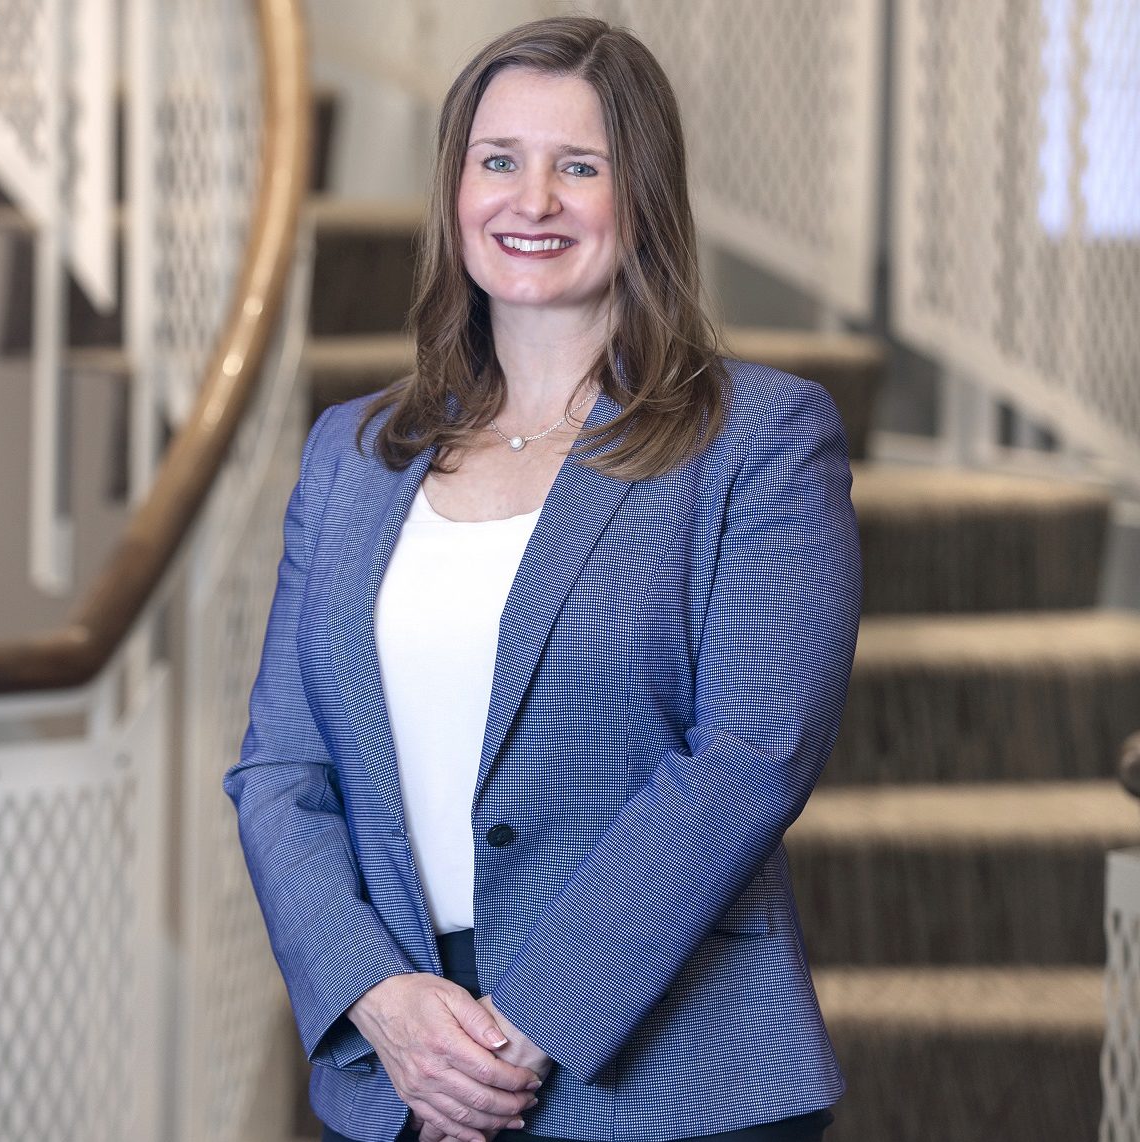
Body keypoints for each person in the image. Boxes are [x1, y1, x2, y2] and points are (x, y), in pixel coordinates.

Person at [225, 15, 861, 1142]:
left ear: (645, 198)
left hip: (670, 1081)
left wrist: (532, 1019)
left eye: (581, 166)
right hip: (404, 1076)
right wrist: (382, 1001)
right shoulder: (352, 450)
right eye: (499, 161)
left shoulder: (759, 438)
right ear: (456, 190)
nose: (534, 200)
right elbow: (281, 767)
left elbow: (748, 758)